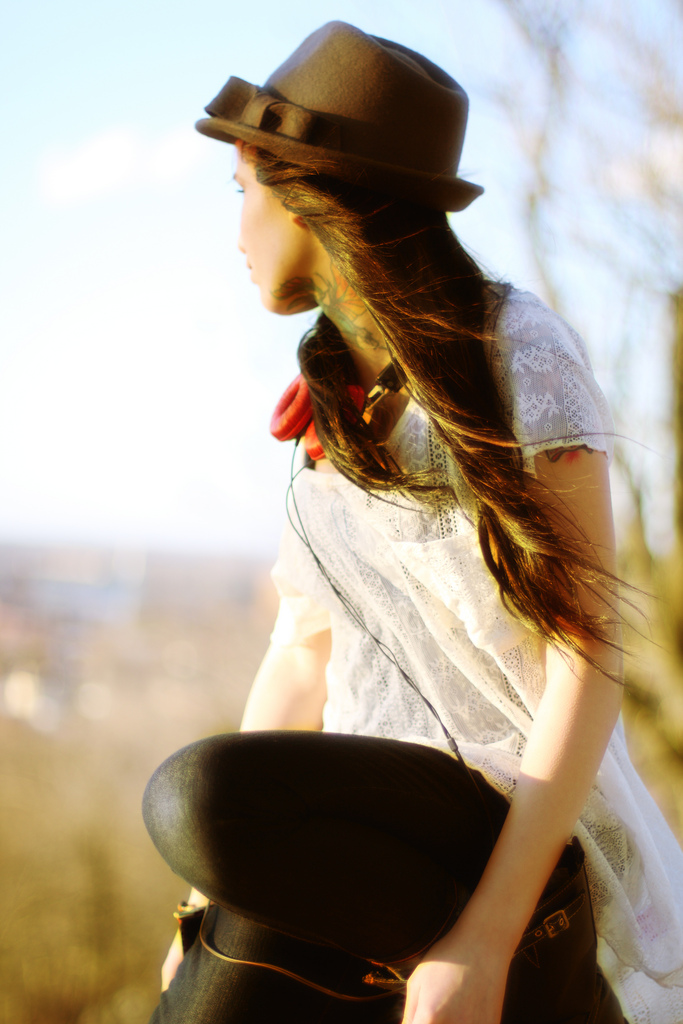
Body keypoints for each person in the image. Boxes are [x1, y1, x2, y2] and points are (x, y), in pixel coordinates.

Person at [142, 21, 683, 1024]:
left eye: (241, 191)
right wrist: (203, 899)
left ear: (309, 193)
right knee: (204, 978)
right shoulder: (332, 400)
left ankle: (534, 961)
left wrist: (481, 936)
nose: (233, 229)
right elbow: (303, 655)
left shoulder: (517, 352)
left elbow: (585, 652)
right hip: (374, 831)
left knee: (188, 794)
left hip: (504, 815)